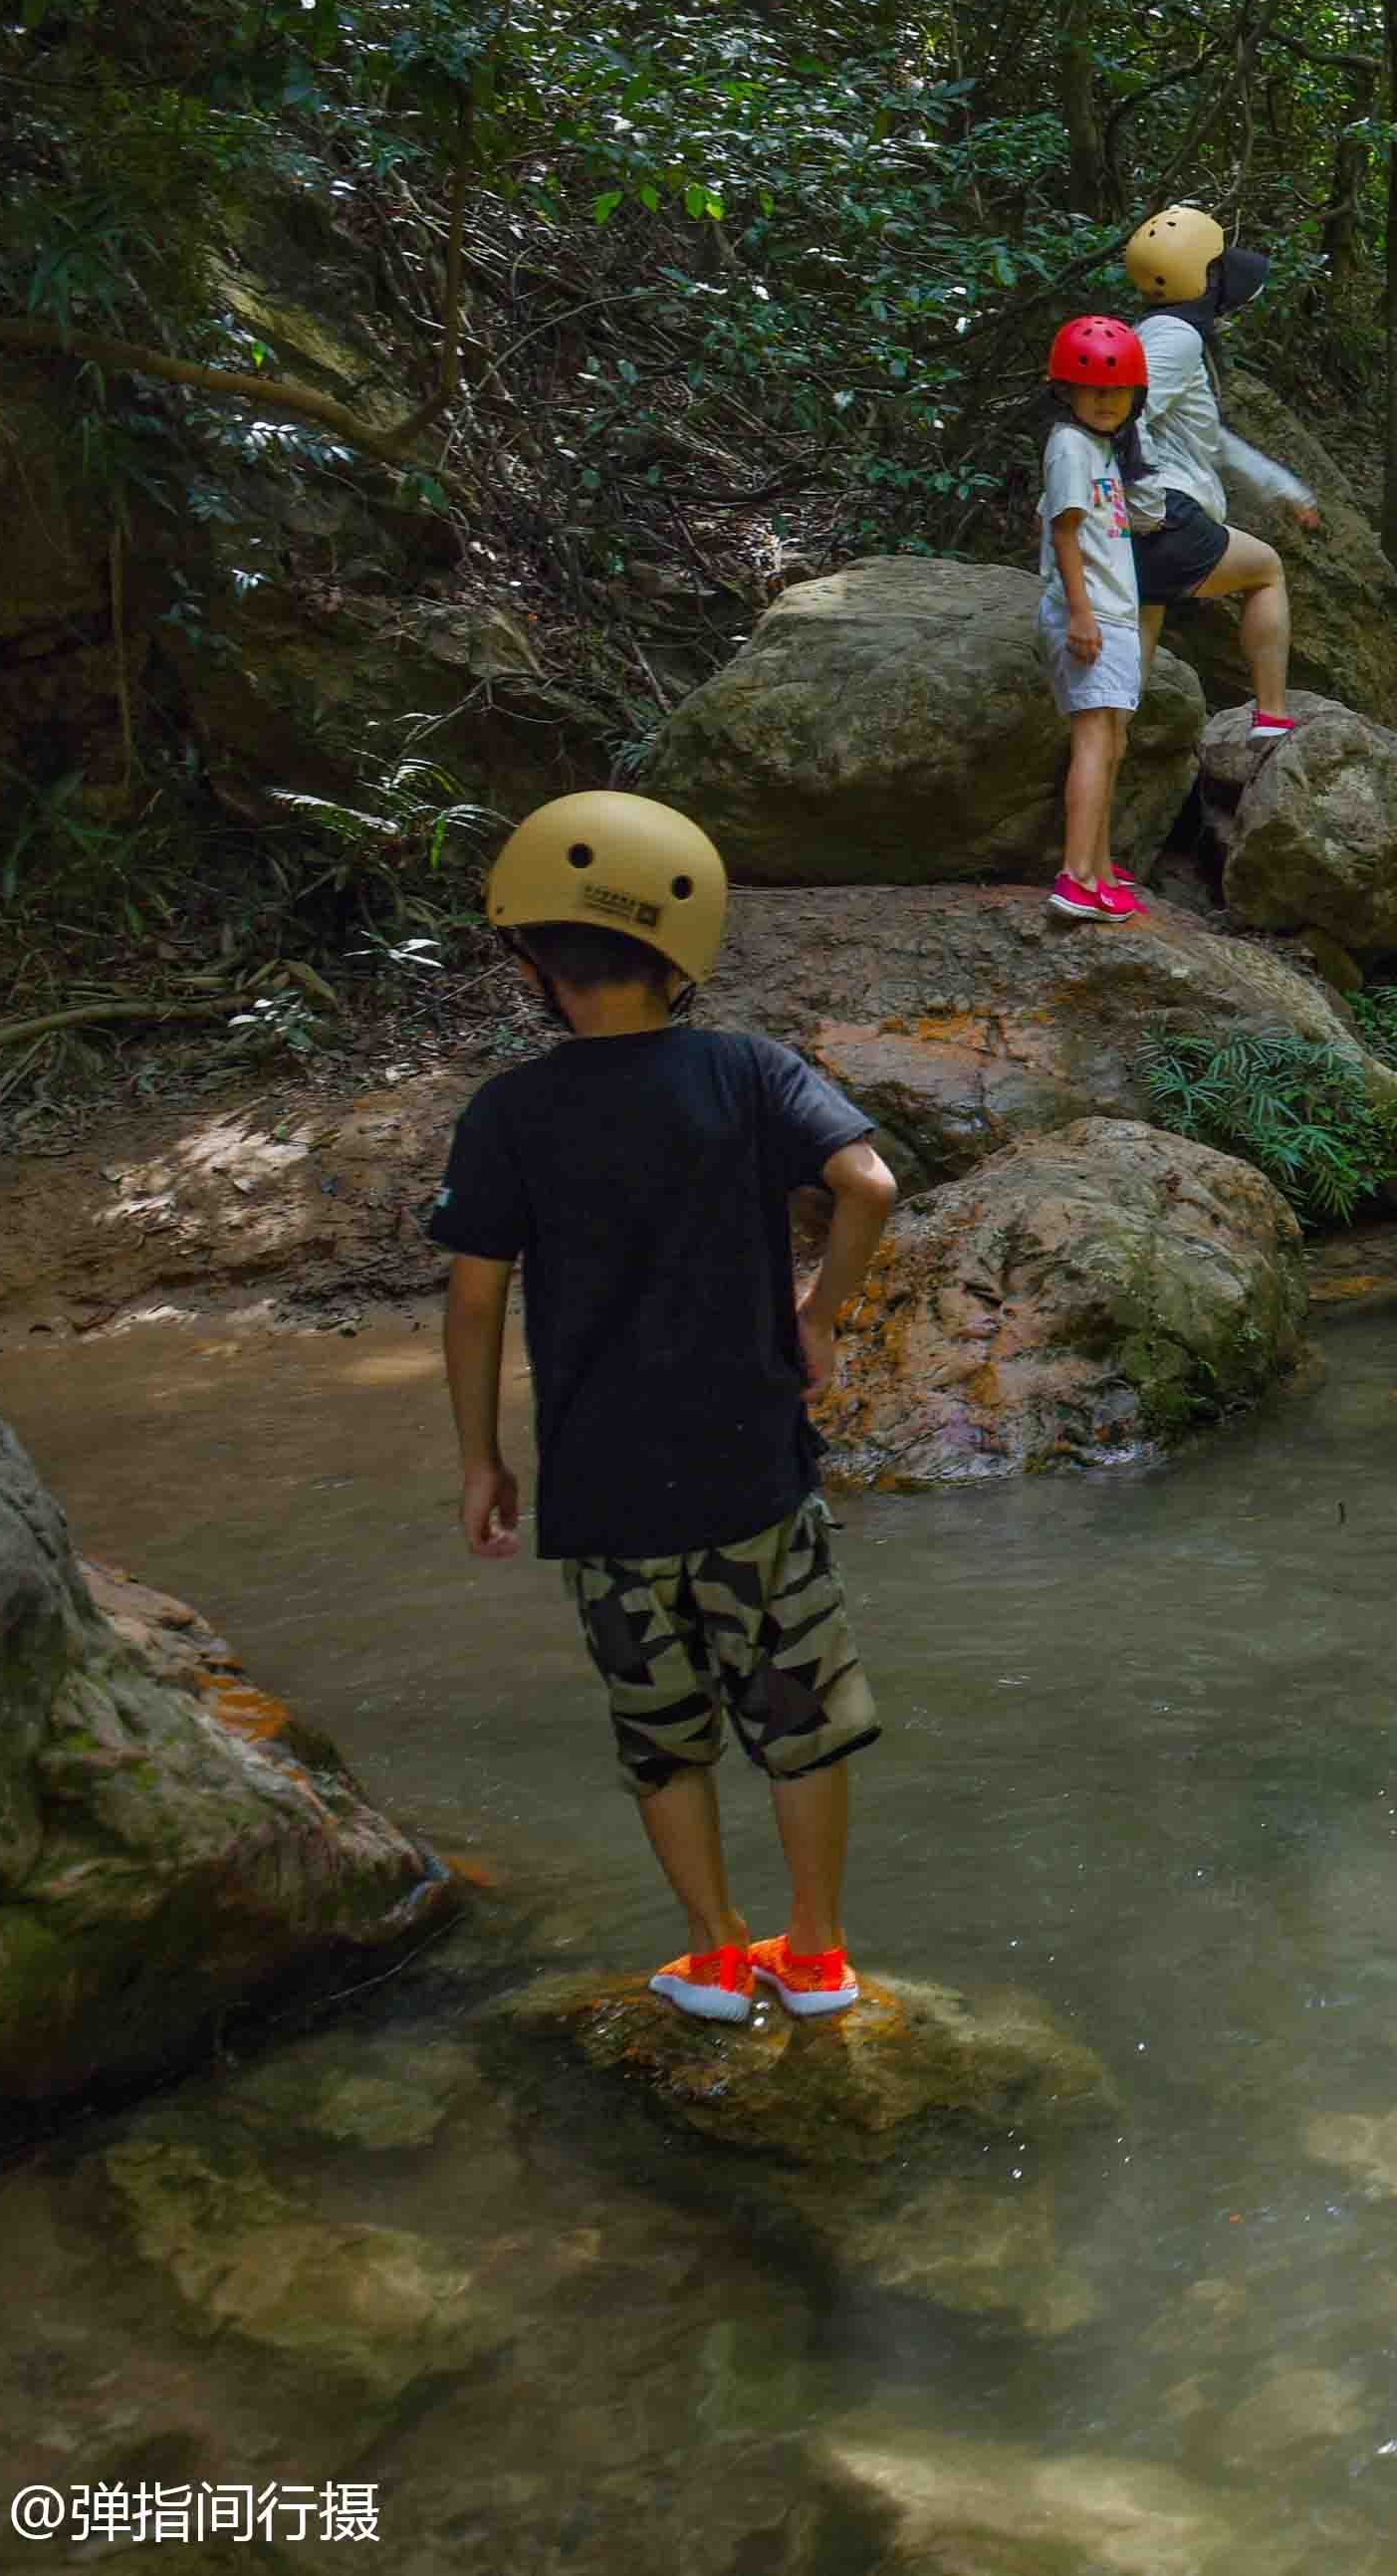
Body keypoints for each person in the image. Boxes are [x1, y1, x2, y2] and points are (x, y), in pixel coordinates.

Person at [432, 793, 900, 2026]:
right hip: (752, 1471)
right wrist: (818, 1313)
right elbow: (869, 1181)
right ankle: (815, 1957)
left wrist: (482, 1460)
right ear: (679, 950)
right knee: (797, 1717)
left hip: (603, 1494)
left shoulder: (510, 1115)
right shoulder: (746, 1072)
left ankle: (710, 1953)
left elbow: (476, 1302)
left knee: (662, 1735)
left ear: (534, 957)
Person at [1120, 203, 1322, 739]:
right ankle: (1272, 717)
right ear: (1200, 274)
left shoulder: (1155, 332)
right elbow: (1126, 416)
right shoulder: (1177, 338)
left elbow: (1211, 441)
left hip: (1135, 520)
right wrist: (1146, 506)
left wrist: (1282, 488)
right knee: (1266, 571)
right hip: (1162, 512)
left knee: (1130, 669)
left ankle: (1110, 760)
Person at [1038, 314, 1152, 924]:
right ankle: (1075, 874)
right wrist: (1081, 613)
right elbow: (1064, 534)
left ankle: (1101, 870)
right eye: (1093, 387)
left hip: (1113, 612)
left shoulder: (1103, 448)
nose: (1107, 399)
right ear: (1066, 390)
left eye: (1118, 389)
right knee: (1092, 740)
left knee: (1108, 744)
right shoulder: (1069, 446)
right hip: (1092, 614)